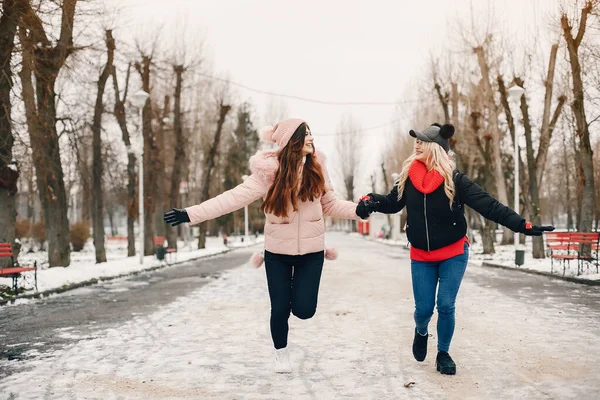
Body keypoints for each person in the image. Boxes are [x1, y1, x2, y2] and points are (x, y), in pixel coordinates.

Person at [356, 123, 554, 375]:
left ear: (436, 148)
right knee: (424, 309)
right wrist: (370, 201)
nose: (416, 144)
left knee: (446, 304)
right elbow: (391, 203)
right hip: (421, 256)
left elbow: (490, 206)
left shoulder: (456, 180)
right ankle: (421, 330)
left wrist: (523, 225)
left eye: (422, 141)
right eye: (415, 140)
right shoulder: (408, 178)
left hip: (453, 252)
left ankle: (443, 353)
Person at [164, 118, 358, 373]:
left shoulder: (318, 167)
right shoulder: (268, 173)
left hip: (311, 254)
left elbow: (331, 205)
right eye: (306, 134)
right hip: (277, 254)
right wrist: (191, 214)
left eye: (311, 133)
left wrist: (362, 209)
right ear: (292, 140)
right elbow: (231, 198)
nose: (311, 138)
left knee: (304, 310)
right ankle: (281, 353)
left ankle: (292, 294)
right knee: (279, 308)